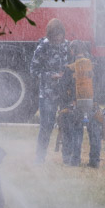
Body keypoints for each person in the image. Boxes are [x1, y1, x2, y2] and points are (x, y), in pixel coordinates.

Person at [31, 18, 70, 164]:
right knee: (46, 126)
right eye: (55, 35)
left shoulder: (67, 45)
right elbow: (33, 70)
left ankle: (67, 158)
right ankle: (39, 159)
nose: (58, 38)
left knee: (66, 125)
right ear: (50, 34)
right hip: (47, 94)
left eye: (60, 34)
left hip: (65, 93)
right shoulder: (43, 47)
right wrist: (50, 76)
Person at [63, 40, 102, 167]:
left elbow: (65, 86)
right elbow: (97, 85)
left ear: (73, 51)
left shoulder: (71, 67)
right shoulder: (92, 65)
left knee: (76, 132)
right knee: (94, 133)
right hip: (92, 103)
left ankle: (75, 160)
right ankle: (95, 161)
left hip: (77, 103)